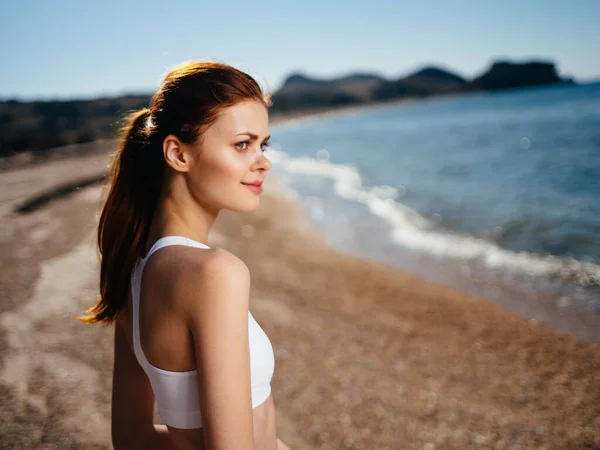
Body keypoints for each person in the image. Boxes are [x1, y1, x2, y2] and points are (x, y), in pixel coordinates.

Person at [80, 61, 292, 450]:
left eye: (264, 144)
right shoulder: (214, 273)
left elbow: (133, 440)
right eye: (242, 144)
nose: (263, 161)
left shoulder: (132, 272)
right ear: (178, 154)